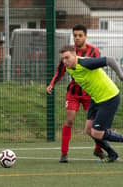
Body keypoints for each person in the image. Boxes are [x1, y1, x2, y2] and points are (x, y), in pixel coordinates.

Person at [59, 45, 123, 162]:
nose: (65, 61)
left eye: (67, 58)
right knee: (88, 130)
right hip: (96, 99)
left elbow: (110, 60)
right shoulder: (69, 68)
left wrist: (121, 76)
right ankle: (112, 154)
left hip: (109, 97)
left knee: (97, 133)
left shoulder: (85, 63)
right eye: (62, 59)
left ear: (75, 55)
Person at [47, 25, 104, 163]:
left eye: (80, 35)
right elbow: (60, 70)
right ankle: (64, 154)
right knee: (70, 120)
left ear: (85, 36)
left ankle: (99, 149)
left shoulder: (94, 51)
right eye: (75, 35)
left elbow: (98, 71)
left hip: (90, 93)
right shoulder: (69, 52)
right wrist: (51, 84)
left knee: (94, 124)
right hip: (73, 92)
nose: (77, 38)